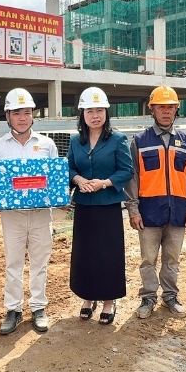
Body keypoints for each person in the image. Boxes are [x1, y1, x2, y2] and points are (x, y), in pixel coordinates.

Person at [0, 88, 59, 335]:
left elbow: (54, 178)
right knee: (13, 263)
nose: (22, 118)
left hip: (40, 214)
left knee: (40, 262)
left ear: (33, 115)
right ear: (8, 116)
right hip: (12, 216)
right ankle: (13, 309)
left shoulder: (47, 144)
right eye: (17, 113)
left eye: (27, 112)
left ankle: (38, 307)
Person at [126, 85, 186, 319]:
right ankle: (148, 297)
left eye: (170, 107)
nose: (166, 111)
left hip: (178, 212)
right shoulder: (140, 141)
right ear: (152, 109)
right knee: (148, 259)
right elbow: (132, 178)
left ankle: (170, 296)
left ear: (176, 110)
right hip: (148, 212)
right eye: (161, 107)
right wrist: (133, 209)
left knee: (172, 259)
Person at [67, 87, 133, 325]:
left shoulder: (117, 139)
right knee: (85, 254)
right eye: (90, 111)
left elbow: (127, 170)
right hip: (84, 206)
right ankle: (87, 297)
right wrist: (78, 180)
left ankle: (108, 300)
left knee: (108, 255)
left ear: (106, 112)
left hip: (108, 206)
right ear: (82, 114)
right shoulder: (76, 141)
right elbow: (70, 167)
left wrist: (105, 183)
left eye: (99, 110)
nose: (95, 115)